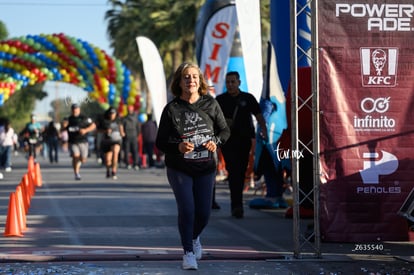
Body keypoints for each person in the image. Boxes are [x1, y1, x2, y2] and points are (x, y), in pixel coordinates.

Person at [156, 62, 230, 270]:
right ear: (179, 82)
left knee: (204, 214)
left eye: (194, 77)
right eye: (186, 77)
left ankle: (194, 237)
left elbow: (224, 131)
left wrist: (216, 141)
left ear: (200, 81)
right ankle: (188, 253)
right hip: (179, 167)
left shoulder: (211, 104)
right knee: (187, 209)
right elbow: (160, 142)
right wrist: (178, 146)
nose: (191, 80)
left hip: (206, 167)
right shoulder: (172, 108)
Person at [216, 71, 268, 219]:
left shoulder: (248, 98)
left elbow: (258, 115)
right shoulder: (220, 100)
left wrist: (263, 130)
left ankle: (237, 204)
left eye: (233, 82)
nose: (230, 85)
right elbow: (212, 119)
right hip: (228, 141)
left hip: (244, 140)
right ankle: (236, 205)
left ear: (239, 82)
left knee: (240, 170)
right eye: (228, 82)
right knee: (232, 171)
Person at [66, 103, 96, 180]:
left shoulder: (84, 118)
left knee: (83, 159)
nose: (75, 110)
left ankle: (78, 164)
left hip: (83, 141)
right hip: (73, 141)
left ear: (79, 109)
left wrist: (85, 130)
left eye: (76, 109)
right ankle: (76, 173)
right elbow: (64, 128)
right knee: (75, 156)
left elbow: (93, 126)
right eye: (73, 109)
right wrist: (64, 126)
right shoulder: (69, 119)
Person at [101, 106, 125, 179]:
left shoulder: (119, 121)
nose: (112, 115)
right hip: (107, 141)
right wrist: (106, 131)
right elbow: (98, 131)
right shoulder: (105, 121)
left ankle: (114, 171)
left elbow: (122, 131)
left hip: (116, 140)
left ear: (115, 114)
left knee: (115, 153)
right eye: (110, 113)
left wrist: (122, 133)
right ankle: (108, 170)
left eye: (113, 113)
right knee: (108, 160)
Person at [122, 105, 140, 170]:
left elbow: (138, 127)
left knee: (134, 151)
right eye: (129, 109)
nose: (129, 110)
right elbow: (122, 127)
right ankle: (128, 163)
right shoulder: (125, 118)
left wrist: (137, 135)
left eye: (130, 109)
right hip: (128, 136)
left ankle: (135, 163)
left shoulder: (134, 118)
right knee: (127, 151)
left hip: (133, 136)